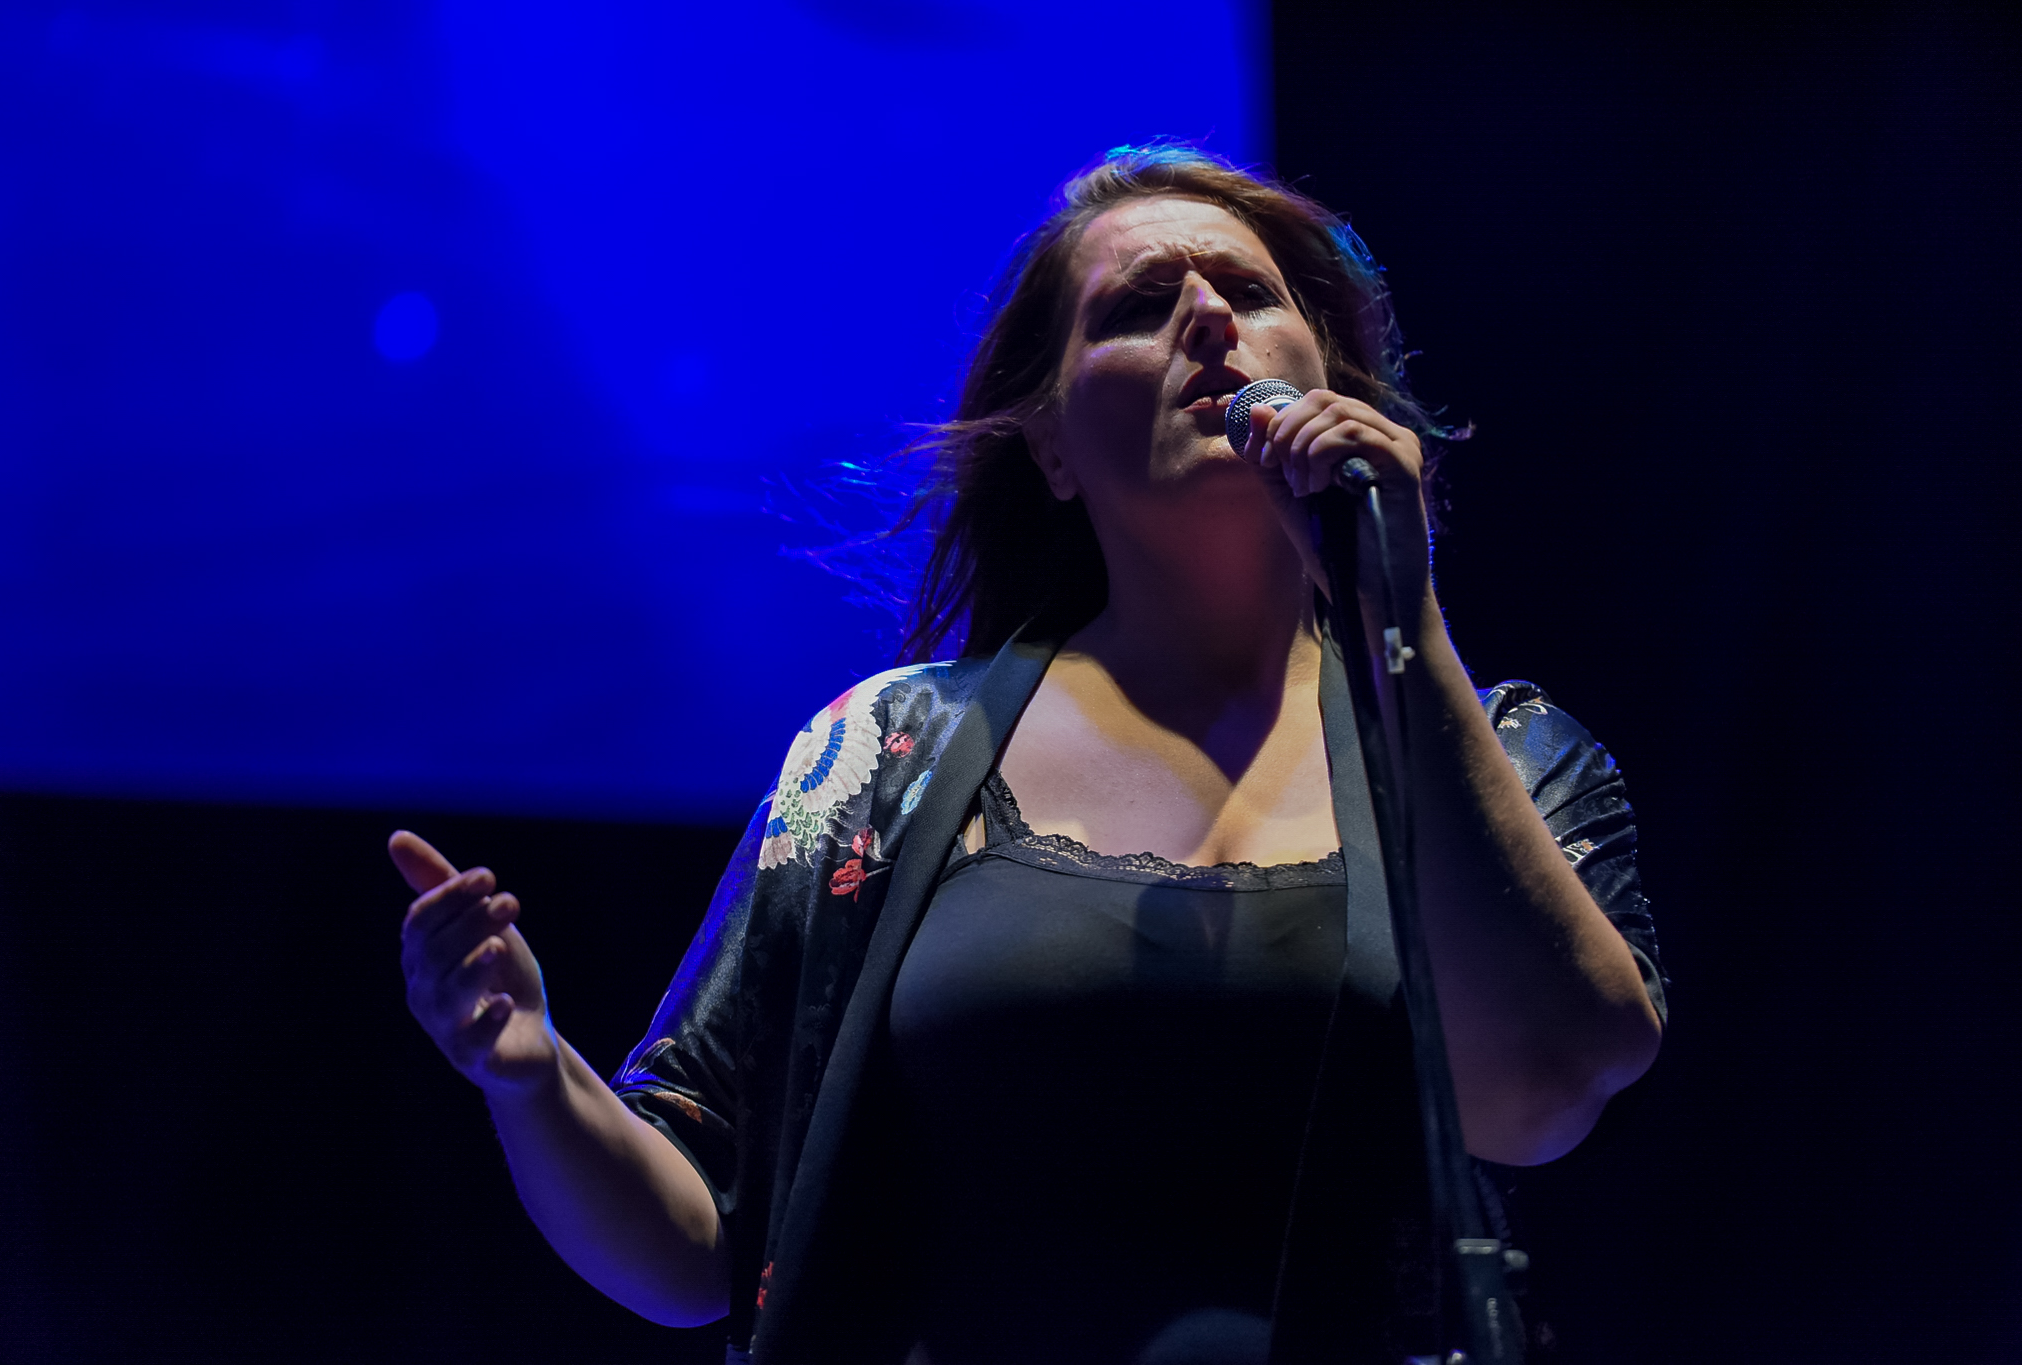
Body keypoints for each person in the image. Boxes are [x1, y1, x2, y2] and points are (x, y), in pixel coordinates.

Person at [390, 144, 1667, 1365]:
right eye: (1140, 306)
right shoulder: (884, 755)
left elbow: (1540, 1094)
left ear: (1328, 378)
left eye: (1249, 295)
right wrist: (531, 1076)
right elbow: (689, 1252)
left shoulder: (1505, 753)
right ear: (1050, 447)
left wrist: (1401, 615)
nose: (1206, 320)